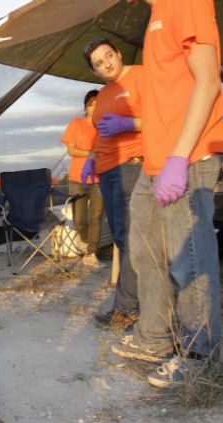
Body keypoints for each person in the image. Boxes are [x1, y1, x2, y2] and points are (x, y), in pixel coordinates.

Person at [112, 0, 223, 387]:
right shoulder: (156, 14)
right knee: (146, 253)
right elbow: (167, 100)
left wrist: (180, 157)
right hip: (154, 161)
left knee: (191, 260)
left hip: (188, 154)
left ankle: (200, 354)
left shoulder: (188, 2)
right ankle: (154, 338)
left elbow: (208, 81)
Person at [81, 37, 144, 329]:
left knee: (131, 239)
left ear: (118, 53)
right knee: (121, 238)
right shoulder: (105, 93)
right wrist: (91, 156)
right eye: (98, 64)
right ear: (94, 72)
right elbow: (100, 132)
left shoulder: (141, 75)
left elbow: (165, 115)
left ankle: (129, 310)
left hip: (131, 165)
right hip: (106, 170)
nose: (106, 64)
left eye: (108, 56)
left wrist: (129, 125)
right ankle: (133, 305)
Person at [60, 89, 104, 267]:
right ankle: (85, 242)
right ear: (86, 107)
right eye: (91, 104)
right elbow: (71, 151)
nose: (94, 108)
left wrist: (91, 154)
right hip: (78, 177)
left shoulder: (103, 127)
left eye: (98, 104)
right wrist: (92, 153)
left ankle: (92, 252)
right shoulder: (75, 124)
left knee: (97, 216)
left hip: (100, 178)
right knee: (79, 218)